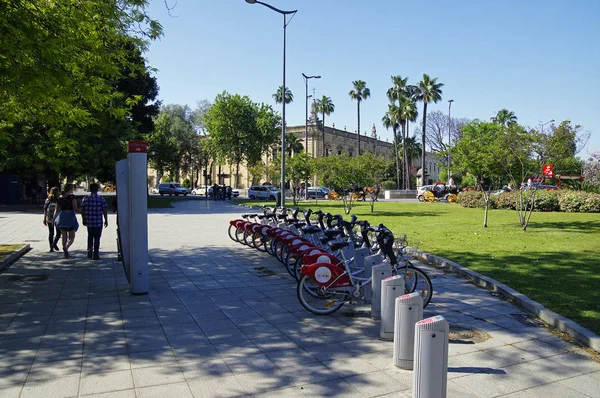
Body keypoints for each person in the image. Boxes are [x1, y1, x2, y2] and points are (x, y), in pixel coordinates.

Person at [80, 183, 108, 260]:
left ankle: (89, 249)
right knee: (97, 238)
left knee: (90, 236)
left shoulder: (85, 199)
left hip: (89, 221)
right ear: (97, 189)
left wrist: (83, 219)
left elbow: (82, 210)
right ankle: (96, 254)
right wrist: (106, 220)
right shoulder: (101, 199)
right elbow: (105, 210)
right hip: (98, 222)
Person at [53, 184, 80, 259]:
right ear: (71, 189)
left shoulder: (59, 198)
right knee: (72, 237)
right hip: (70, 216)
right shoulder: (72, 197)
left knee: (63, 235)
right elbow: (75, 208)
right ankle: (66, 248)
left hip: (62, 216)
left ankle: (65, 251)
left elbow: (56, 209)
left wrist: (53, 219)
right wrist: (82, 212)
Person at [43, 187, 61, 252]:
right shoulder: (59, 199)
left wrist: (44, 218)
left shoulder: (48, 199)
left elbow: (45, 209)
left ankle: (51, 247)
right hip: (57, 217)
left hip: (49, 217)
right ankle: (54, 243)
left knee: (51, 233)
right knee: (59, 232)